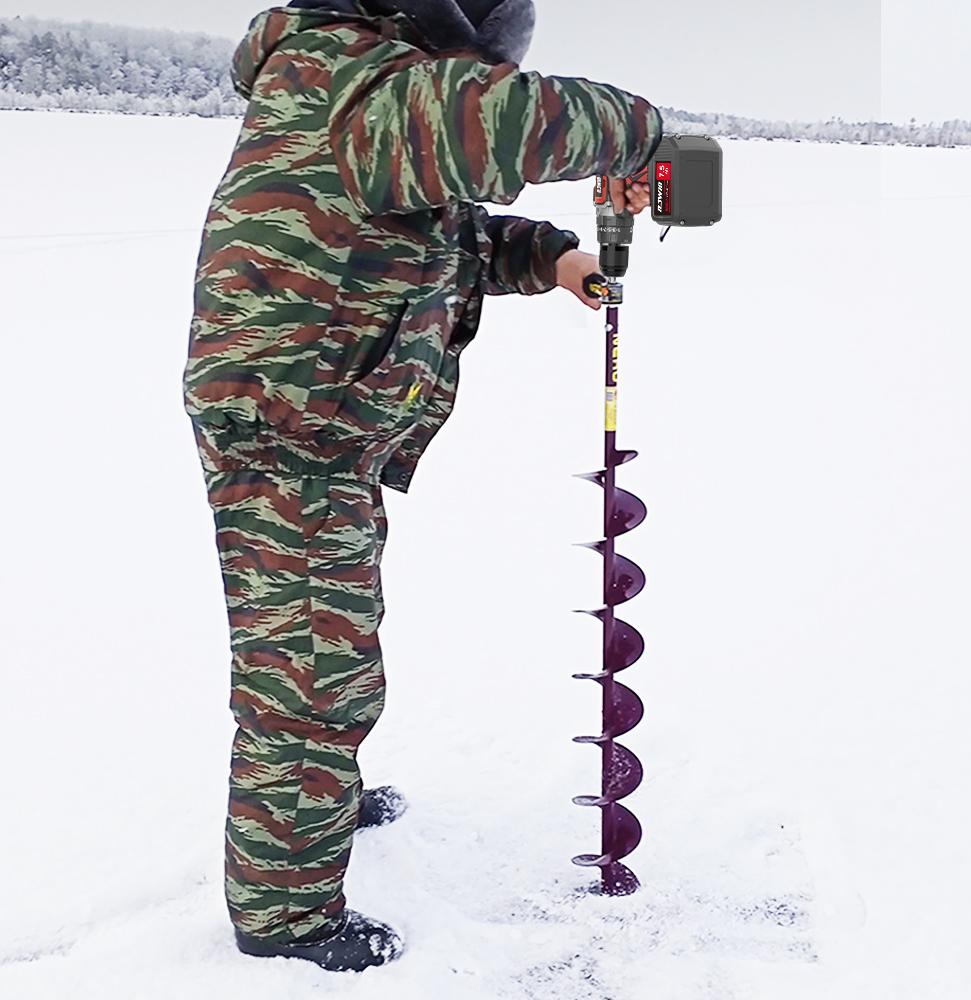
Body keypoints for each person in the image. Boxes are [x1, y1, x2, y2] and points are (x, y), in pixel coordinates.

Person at [182, 0, 661, 974]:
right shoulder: (352, 79)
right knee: (311, 674)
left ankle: (313, 796)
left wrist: (554, 259)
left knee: (328, 648)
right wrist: (643, 134)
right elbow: (506, 123)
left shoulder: (372, 100)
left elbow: (447, 238)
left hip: (316, 422)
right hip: (289, 427)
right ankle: (284, 911)